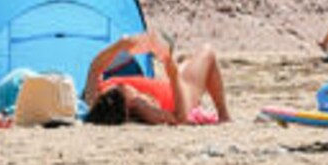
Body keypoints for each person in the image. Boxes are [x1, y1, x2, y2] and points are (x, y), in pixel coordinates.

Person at [79, 31, 230, 126]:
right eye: (124, 88)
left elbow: (94, 68)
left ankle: (181, 62)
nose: (122, 84)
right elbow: (180, 118)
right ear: (127, 104)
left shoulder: (96, 101)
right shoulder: (141, 107)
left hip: (164, 85)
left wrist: (121, 45)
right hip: (181, 94)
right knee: (207, 52)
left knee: (187, 61)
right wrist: (173, 73)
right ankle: (224, 116)